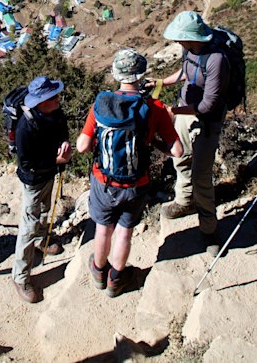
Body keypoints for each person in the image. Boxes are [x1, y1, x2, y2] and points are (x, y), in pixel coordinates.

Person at [77, 48, 182, 298]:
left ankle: (98, 270)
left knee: (103, 228)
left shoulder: (101, 104)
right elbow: (176, 150)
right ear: (141, 75)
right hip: (137, 182)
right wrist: (156, 136)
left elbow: (82, 146)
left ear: (116, 74)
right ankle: (116, 280)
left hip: (103, 181)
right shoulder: (154, 107)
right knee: (125, 231)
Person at [157, 11, 229, 255]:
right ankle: (185, 201)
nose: (178, 43)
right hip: (185, 112)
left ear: (192, 37)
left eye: (181, 39)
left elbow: (209, 104)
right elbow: (186, 72)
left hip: (206, 120)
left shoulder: (217, 59)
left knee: (201, 174)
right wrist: (160, 83)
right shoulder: (191, 50)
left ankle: (209, 229)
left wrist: (174, 110)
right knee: (180, 159)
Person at [12, 75, 71, 303]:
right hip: (34, 180)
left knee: (46, 208)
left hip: (49, 174)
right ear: (40, 102)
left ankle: (42, 240)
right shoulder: (25, 127)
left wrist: (64, 142)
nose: (57, 99)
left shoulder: (54, 112)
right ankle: (20, 276)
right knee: (28, 224)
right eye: (52, 97)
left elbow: (62, 129)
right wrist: (55, 161)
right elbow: (27, 164)